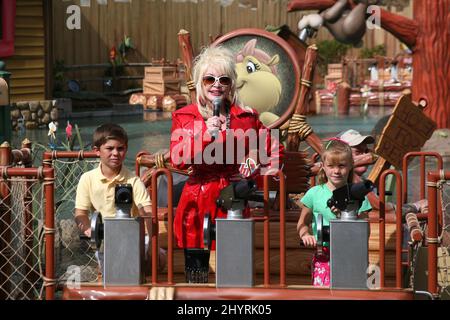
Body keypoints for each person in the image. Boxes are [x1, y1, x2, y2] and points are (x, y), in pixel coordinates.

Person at [170, 46, 283, 283]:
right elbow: (177, 158)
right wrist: (203, 135)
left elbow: (274, 150)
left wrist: (252, 166)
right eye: (210, 78)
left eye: (224, 79)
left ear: (232, 84)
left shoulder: (246, 116)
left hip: (233, 198)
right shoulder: (186, 116)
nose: (216, 85)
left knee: (234, 270)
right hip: (197, 199)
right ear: (199, 82)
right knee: (196, 272)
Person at [74, 123, 166, 271]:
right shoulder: (88, 179)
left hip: (132, 239)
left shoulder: (133, 180)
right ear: (97, 151)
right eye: (110, 148)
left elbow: (147, 212)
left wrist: (154, 247)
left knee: (155, 259)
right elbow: (80, 213)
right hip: (106, 240)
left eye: (120, 148)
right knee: (113, 268)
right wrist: (89, 230)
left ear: (126, 149)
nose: (115, 153)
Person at [297, 139, 371, 287]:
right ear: (323, 167)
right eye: (331, 166)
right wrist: (306, 235)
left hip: (351, 254)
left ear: (350, 166)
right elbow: (302, 223)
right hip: (323, 256)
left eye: (341, 166)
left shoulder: (357, 194)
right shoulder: (314, 193)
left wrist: (344, 216)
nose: (336, 171)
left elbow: (365, 230)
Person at [338, 129, 428, 216]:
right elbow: (383, 208)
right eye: (358, 152)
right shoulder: (345, 178)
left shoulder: (360, 179)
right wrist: (416, 206)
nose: (365, 155)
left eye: (366, 151)